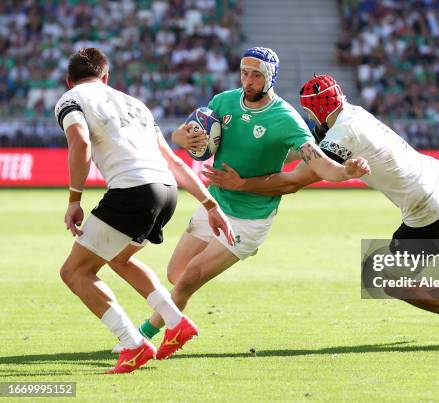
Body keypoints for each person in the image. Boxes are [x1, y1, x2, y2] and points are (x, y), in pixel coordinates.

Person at [203, 74, 439, 347]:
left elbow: (293, 181)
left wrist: (240, 183)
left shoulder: (340, 135)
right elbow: (305, 152)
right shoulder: (354, 115)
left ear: (316, 112)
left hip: (427, 209)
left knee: (387, 278)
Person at [119, 48, 370, 350]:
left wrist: (345, 172)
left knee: (187, 282)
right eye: (244, 73)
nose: (248, 81)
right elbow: (186, 136)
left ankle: (144, 336)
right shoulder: (222, 102)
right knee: (177, 275)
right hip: (215, 206)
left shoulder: (285, 118)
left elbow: (317, 162)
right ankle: (168, 324)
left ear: (270, 78)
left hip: (248, 220)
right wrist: (181, 139)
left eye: (256, 75)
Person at [55, 48, 234, 374]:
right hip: (167, 191)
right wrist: (210, 204)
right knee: (119, 257)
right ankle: (176, 322)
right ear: (107, 78)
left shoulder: (71, 99)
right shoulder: (136, 104)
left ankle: (133, 344)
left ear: (69, 81)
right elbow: (175, 161)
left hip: (132, 190)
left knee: (75, 272)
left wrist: (73, 200)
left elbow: (79, 144)